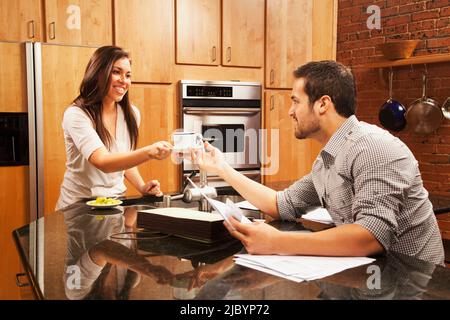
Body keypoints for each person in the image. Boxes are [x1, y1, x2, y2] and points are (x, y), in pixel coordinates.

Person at [192, 60, 445, 266]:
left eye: (295, 101)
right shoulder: (328, 159)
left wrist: (277, 242)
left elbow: (371, 237)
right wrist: (222, 168)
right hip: (371, 277)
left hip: (413, 284)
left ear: (323, 104)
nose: (290, 111)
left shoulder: (372, 147)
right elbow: (282, 205)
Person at [56, 46, 172, 210]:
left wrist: (141, 187)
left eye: (128, 75)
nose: (124, 81)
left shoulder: (131, 114)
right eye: (116, 72)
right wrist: (149, 152)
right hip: (78, 206)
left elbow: (123, 159)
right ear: (98, 73)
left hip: (115, 203)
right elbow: (103, 162)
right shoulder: (76, 115)